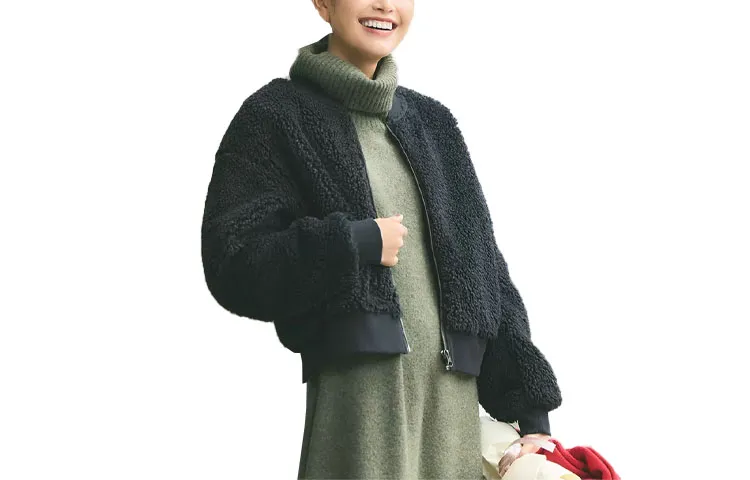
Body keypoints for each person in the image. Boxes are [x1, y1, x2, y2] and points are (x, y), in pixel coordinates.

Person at [200, 0, 563, 478]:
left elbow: (486, 276)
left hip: (451, 422)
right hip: (359, 416)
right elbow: (233, 259)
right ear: (323, 4)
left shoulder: (434, 125)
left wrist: (532, 415)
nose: (385, 5)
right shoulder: (276, 116)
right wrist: (353, 245)